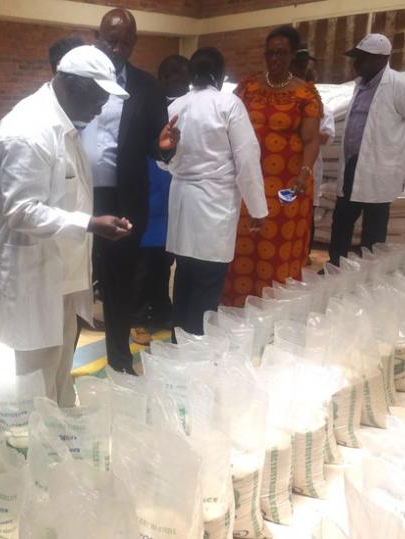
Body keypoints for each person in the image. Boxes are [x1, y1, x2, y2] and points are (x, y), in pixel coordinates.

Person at [0, 45, 138, 407]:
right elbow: (21, 212)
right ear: (69, 83)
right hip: (32, 275)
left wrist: (91, 225)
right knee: (36, 382)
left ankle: (59, 440)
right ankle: (35, 453)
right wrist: (89, 224)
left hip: (60, 273)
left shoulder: (63, 125)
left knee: (59, 369)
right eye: (97, 95)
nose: (101, 106)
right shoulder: (28, 130)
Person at [84, 8, 170, 373]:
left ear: (134, 44)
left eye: (126, 43)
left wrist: (165, 146)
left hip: (124, 200)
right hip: (80, 197)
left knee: (120, 286)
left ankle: (120, 362)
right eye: (111, 41)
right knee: (73, 284)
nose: (117, 49)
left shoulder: (146, 86)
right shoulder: (79, 78)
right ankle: (55, 373)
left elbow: (156, 144)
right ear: (97, 38)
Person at [165, 48, 268, 335]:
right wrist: (258, 208)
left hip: (183, 203)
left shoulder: (175, 106)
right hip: (215, 205)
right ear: (221, 75)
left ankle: (178, 344)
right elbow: (247, 159)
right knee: (207, 284)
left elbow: (165, 160)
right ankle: (195, 354)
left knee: (184, 278)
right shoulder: (229, 104)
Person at [221, 25, 322, 307]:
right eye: (270, 53)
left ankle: (274, 309)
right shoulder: (248, 88)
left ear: (292, 55)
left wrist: (305, 173)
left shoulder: (305, 94)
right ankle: (236, 305)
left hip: (287, 186)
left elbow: (311, 140)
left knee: (277, 248)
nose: (274, 58)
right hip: (249, 180)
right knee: (243, 243)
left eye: (281, 53)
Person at [328, 34, 405, 265]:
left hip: (381, 169)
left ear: (380, 59)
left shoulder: (401, 86)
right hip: (353, 163)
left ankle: (368, 276)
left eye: (361, 58)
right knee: (341, 220)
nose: (356, 64)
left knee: (373, 231)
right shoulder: (360, 85)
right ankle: (334, 267)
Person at [130, 54, 190, 344]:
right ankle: (138, 316)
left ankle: (160, 308)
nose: (180, 83)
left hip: (172, 196)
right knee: (142, 265)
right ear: (162, 78)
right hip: (148, 192)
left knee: (164, 262)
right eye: (174, 77)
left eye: (184, 77)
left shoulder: (190, 110)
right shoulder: (149, 105)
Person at [290, 44, 335, 254]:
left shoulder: (318, 104)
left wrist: (306, 133)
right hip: (281, 163)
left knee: (307, 211)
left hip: (309, 166)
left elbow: (327, 135)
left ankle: (304, 253)